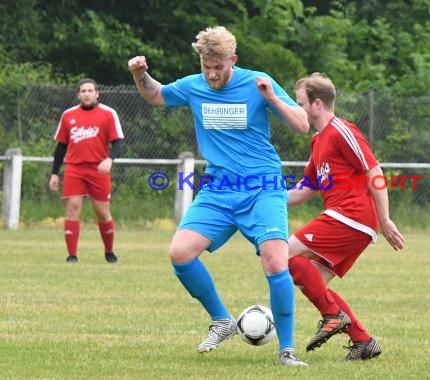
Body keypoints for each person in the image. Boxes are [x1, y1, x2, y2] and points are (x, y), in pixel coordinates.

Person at [127, 26, 309, 366]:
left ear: (233, 61)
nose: (211, 74)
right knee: (180, 252)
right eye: (206, 66)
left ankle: (286, 350)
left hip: (262, 186)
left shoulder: (258, 82)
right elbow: (156, 95)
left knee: (274, 259)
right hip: (219, 188)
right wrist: (141, 75)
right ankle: (222, 320)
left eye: (218, 67)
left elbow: (301, 124)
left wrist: (271, 98)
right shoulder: (193, 86)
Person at [287, 73, 406, 361]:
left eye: (299, 103)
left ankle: (332, 316)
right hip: (347, 220)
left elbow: (374, 172)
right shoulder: (318, 142)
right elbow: (306, 189)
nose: (295, 109)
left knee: (282, 253)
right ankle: (362, 340)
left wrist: (386, 219)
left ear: (317, 104)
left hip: (351, 216)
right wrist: (266, 198)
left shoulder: (342, 130)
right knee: (310, 278)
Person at [49, 78, 124, 264]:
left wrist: (109, 159)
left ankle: (109, 251)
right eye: (83, 91)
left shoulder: (108, 114)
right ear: (78, 94)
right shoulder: (68, 115)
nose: (87, 94)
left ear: (97, 93)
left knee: (102, 212)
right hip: (75, 168)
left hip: (98, 169)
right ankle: (72, 255)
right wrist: (54, 173)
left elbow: (118, 142)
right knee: (73, 209)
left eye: (90, 90)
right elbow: (61, 147)